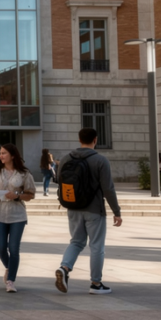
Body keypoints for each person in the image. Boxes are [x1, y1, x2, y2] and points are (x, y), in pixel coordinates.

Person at [55, 127, 122, 296]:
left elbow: (60, 184)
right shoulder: (100, 160)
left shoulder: (65, 159)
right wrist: (116, 211)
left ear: (79, 140)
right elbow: (108, 189)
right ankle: (96, 283)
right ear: (96, 140)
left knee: (76, 241)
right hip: (94, 210)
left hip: (73, 208)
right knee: (96, 246)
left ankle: (64, 267)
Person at [0, 143, 36, 293]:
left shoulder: (24, 173)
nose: (0, 156)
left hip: (17, 215)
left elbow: (30, 194)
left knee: (14, 248)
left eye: (4, 153)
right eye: (0, 153)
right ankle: (9, 267)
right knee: (0, 247)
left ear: (13, 155)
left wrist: (17, 196)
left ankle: (11, 280)